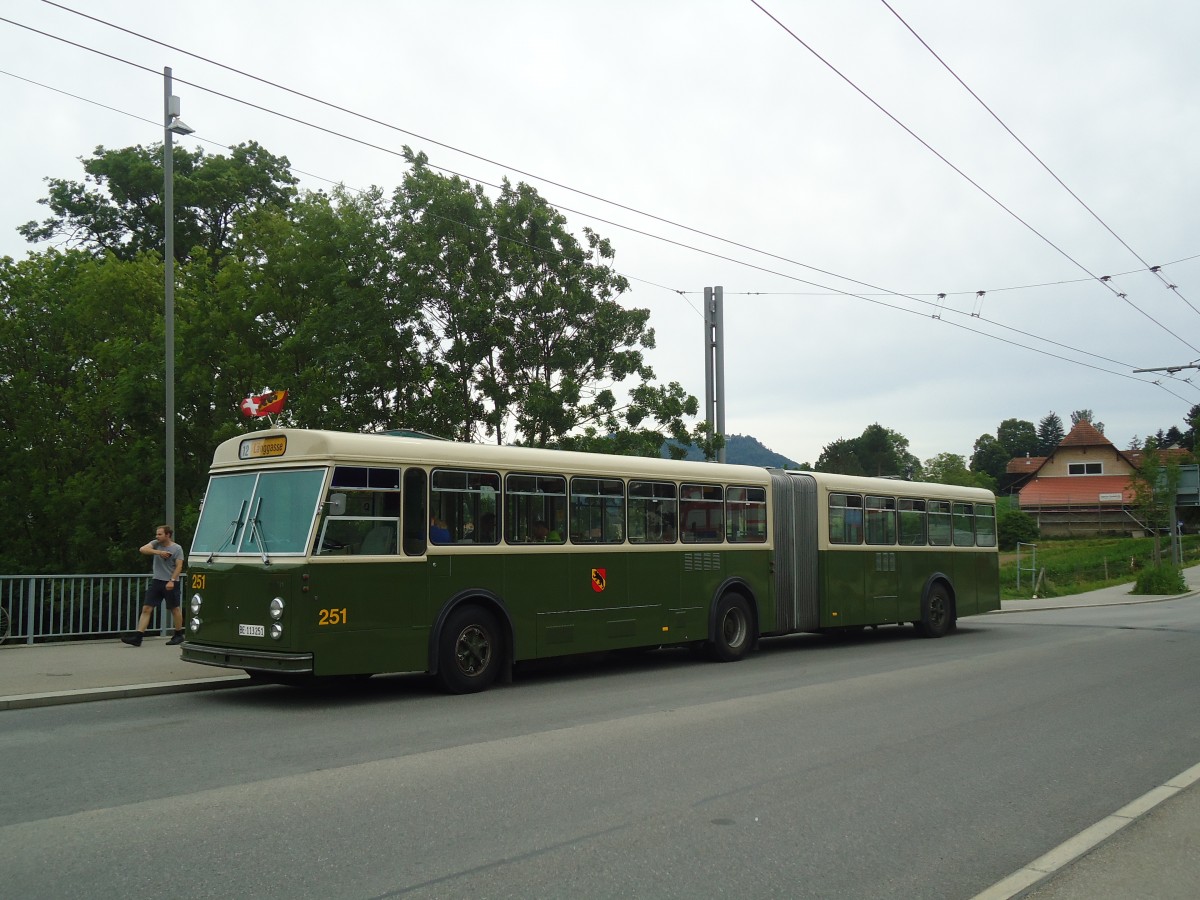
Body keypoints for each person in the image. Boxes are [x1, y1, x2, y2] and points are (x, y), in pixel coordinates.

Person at [121, 525, 185, 647]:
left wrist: (172, 580)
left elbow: (179, 566)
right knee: (146, 608)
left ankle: (178, 634)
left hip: (170, 582)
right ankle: (138, 637)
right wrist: (159, 552)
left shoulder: (177, 548)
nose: (157, 536)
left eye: (160, 534)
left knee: (174, 608)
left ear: (168, 535)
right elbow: (142, 549)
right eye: (157, 534)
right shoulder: (156, 544)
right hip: (157, 581)